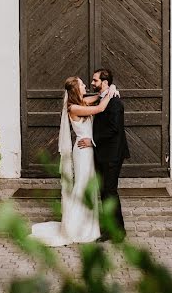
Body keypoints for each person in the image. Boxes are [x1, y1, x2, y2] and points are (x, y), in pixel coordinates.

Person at [30, 76, 119, 247]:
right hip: (82, 151)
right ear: (76, 89)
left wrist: (111, 88)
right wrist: (109, 93)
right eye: (82, 84)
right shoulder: (74, 108)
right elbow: (100, 107)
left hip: (89, 149)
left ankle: (88, 226)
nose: (86, 85)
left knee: (88, 186)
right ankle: (75, 228)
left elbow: (100, 97)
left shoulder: (82, 102)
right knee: (82, 186)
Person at [77, 68, 130, 242]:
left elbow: (114, 130)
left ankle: (118, 232)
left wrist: (92, 141)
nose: (92, 83)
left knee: (110, 191)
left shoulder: (114, 102)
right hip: (102, 154)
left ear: (104, 83)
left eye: (95, 80)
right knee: (104, 192)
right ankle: (109, 228)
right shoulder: (103, 98)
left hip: (112, 155)